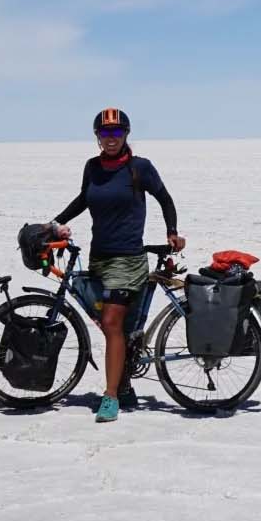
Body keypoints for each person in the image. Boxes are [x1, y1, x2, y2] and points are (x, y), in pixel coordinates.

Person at [50, 107, 186, 422]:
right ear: (97, 137)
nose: (110, 139)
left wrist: (172, 232)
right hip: (100, 256)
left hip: (128, 259)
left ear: (126, 134)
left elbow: (165, 199)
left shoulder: (141, 168)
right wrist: (56, 222)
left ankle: (110, 398)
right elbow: (84, 198)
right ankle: (124, 383)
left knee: (111, 322)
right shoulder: (93, 167)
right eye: (104, 133)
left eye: (116, 132)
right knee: (115, 325)